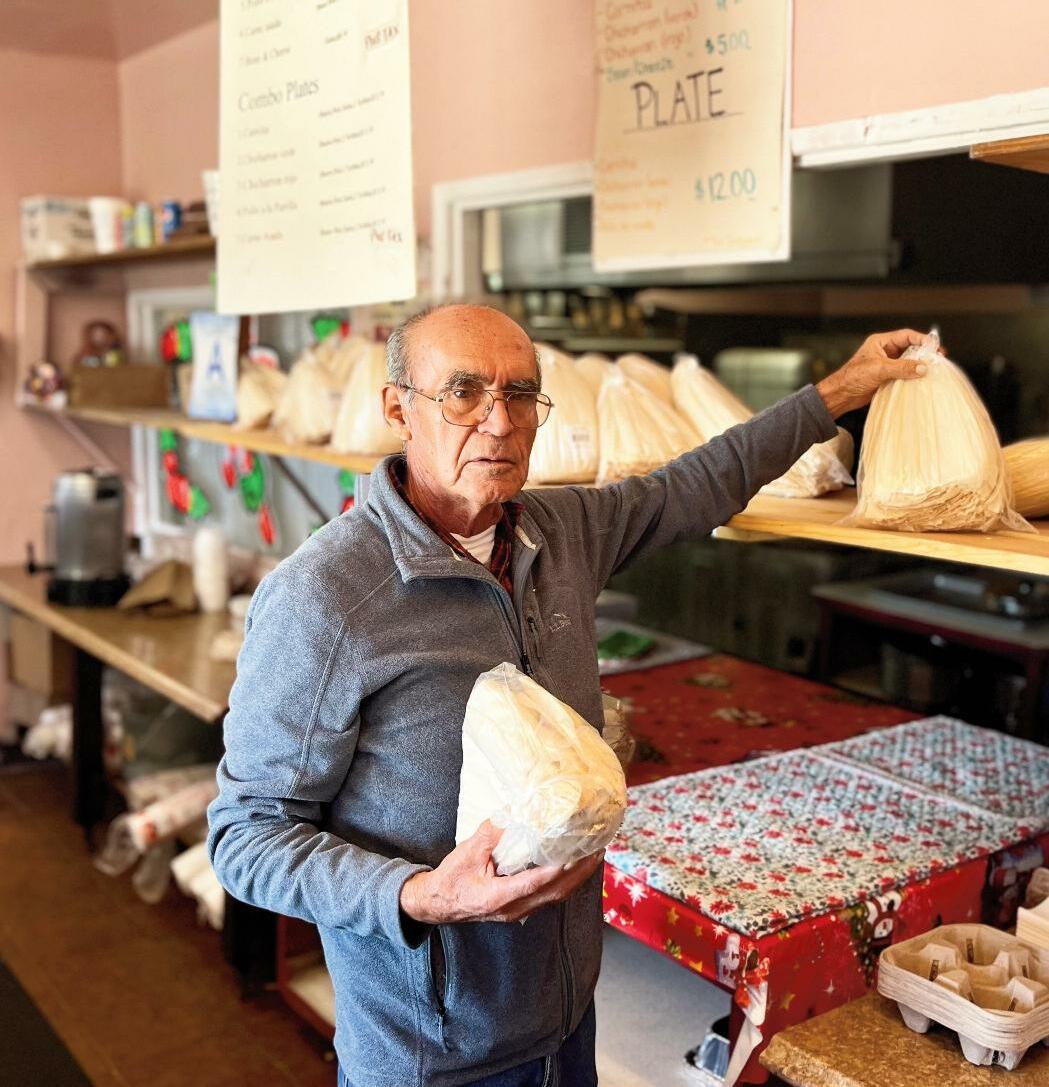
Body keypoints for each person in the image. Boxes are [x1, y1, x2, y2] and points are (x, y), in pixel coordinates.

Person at [207, 306, 929, 1087]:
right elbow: (246, 836)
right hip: (431, 1059)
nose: (498, 422)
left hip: (565, 1024)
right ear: (397, 409)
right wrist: (419, 894)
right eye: (462, 392)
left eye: (519, 394)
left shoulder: (559, 532)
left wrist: (842, 389)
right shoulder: (326, 596)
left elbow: (698, 483)